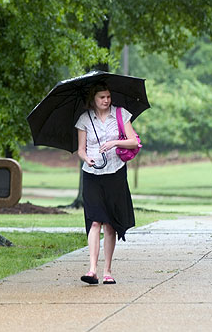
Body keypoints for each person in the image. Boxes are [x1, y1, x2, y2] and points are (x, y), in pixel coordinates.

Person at [74, 82, 139, 285]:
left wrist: (114, 143)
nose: (106, 100)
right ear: (93, 99)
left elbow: (134, 142)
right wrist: (86, 159)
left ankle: (107, 271)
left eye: (108, 96)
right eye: (102, 97)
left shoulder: (121, 114)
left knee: (110, 224)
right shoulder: (84, 119)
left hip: (115, 173)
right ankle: (92, 269)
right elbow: (81, 149)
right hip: (92, 174)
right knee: (95, 220)